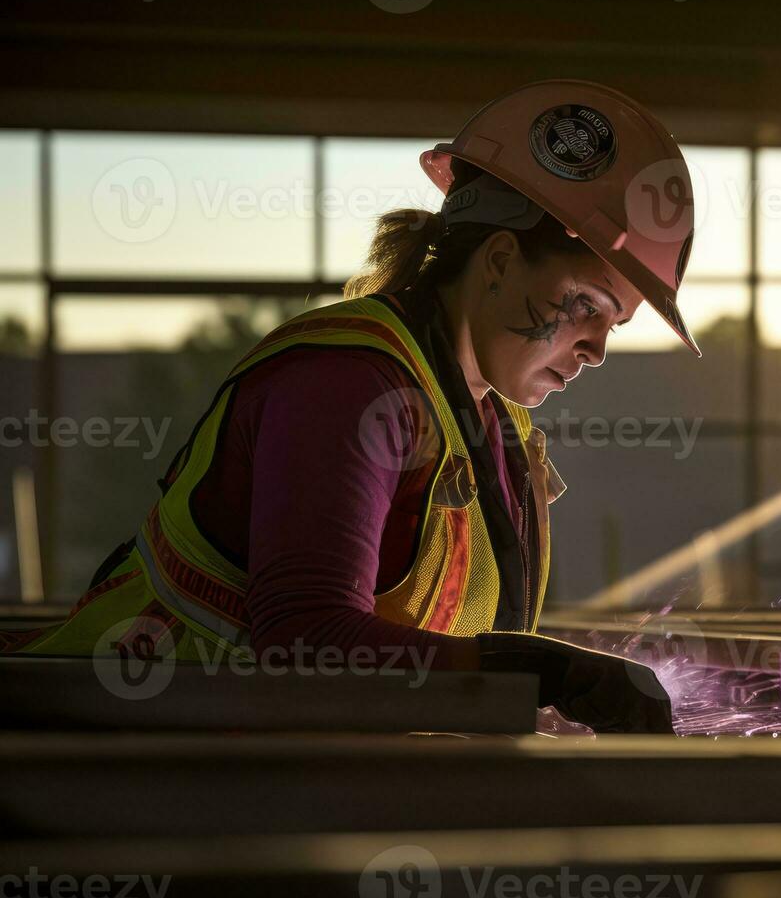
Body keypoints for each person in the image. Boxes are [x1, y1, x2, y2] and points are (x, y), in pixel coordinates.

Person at [12, 80, 700, 734]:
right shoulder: (345, 386)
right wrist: (539, 672)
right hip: (132, 764)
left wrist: (532, 686)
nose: (596, 349)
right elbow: (306, 642)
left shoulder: (489, 420)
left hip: (277, 776)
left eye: (615, 322)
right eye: (586, 305)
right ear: (496, 260)